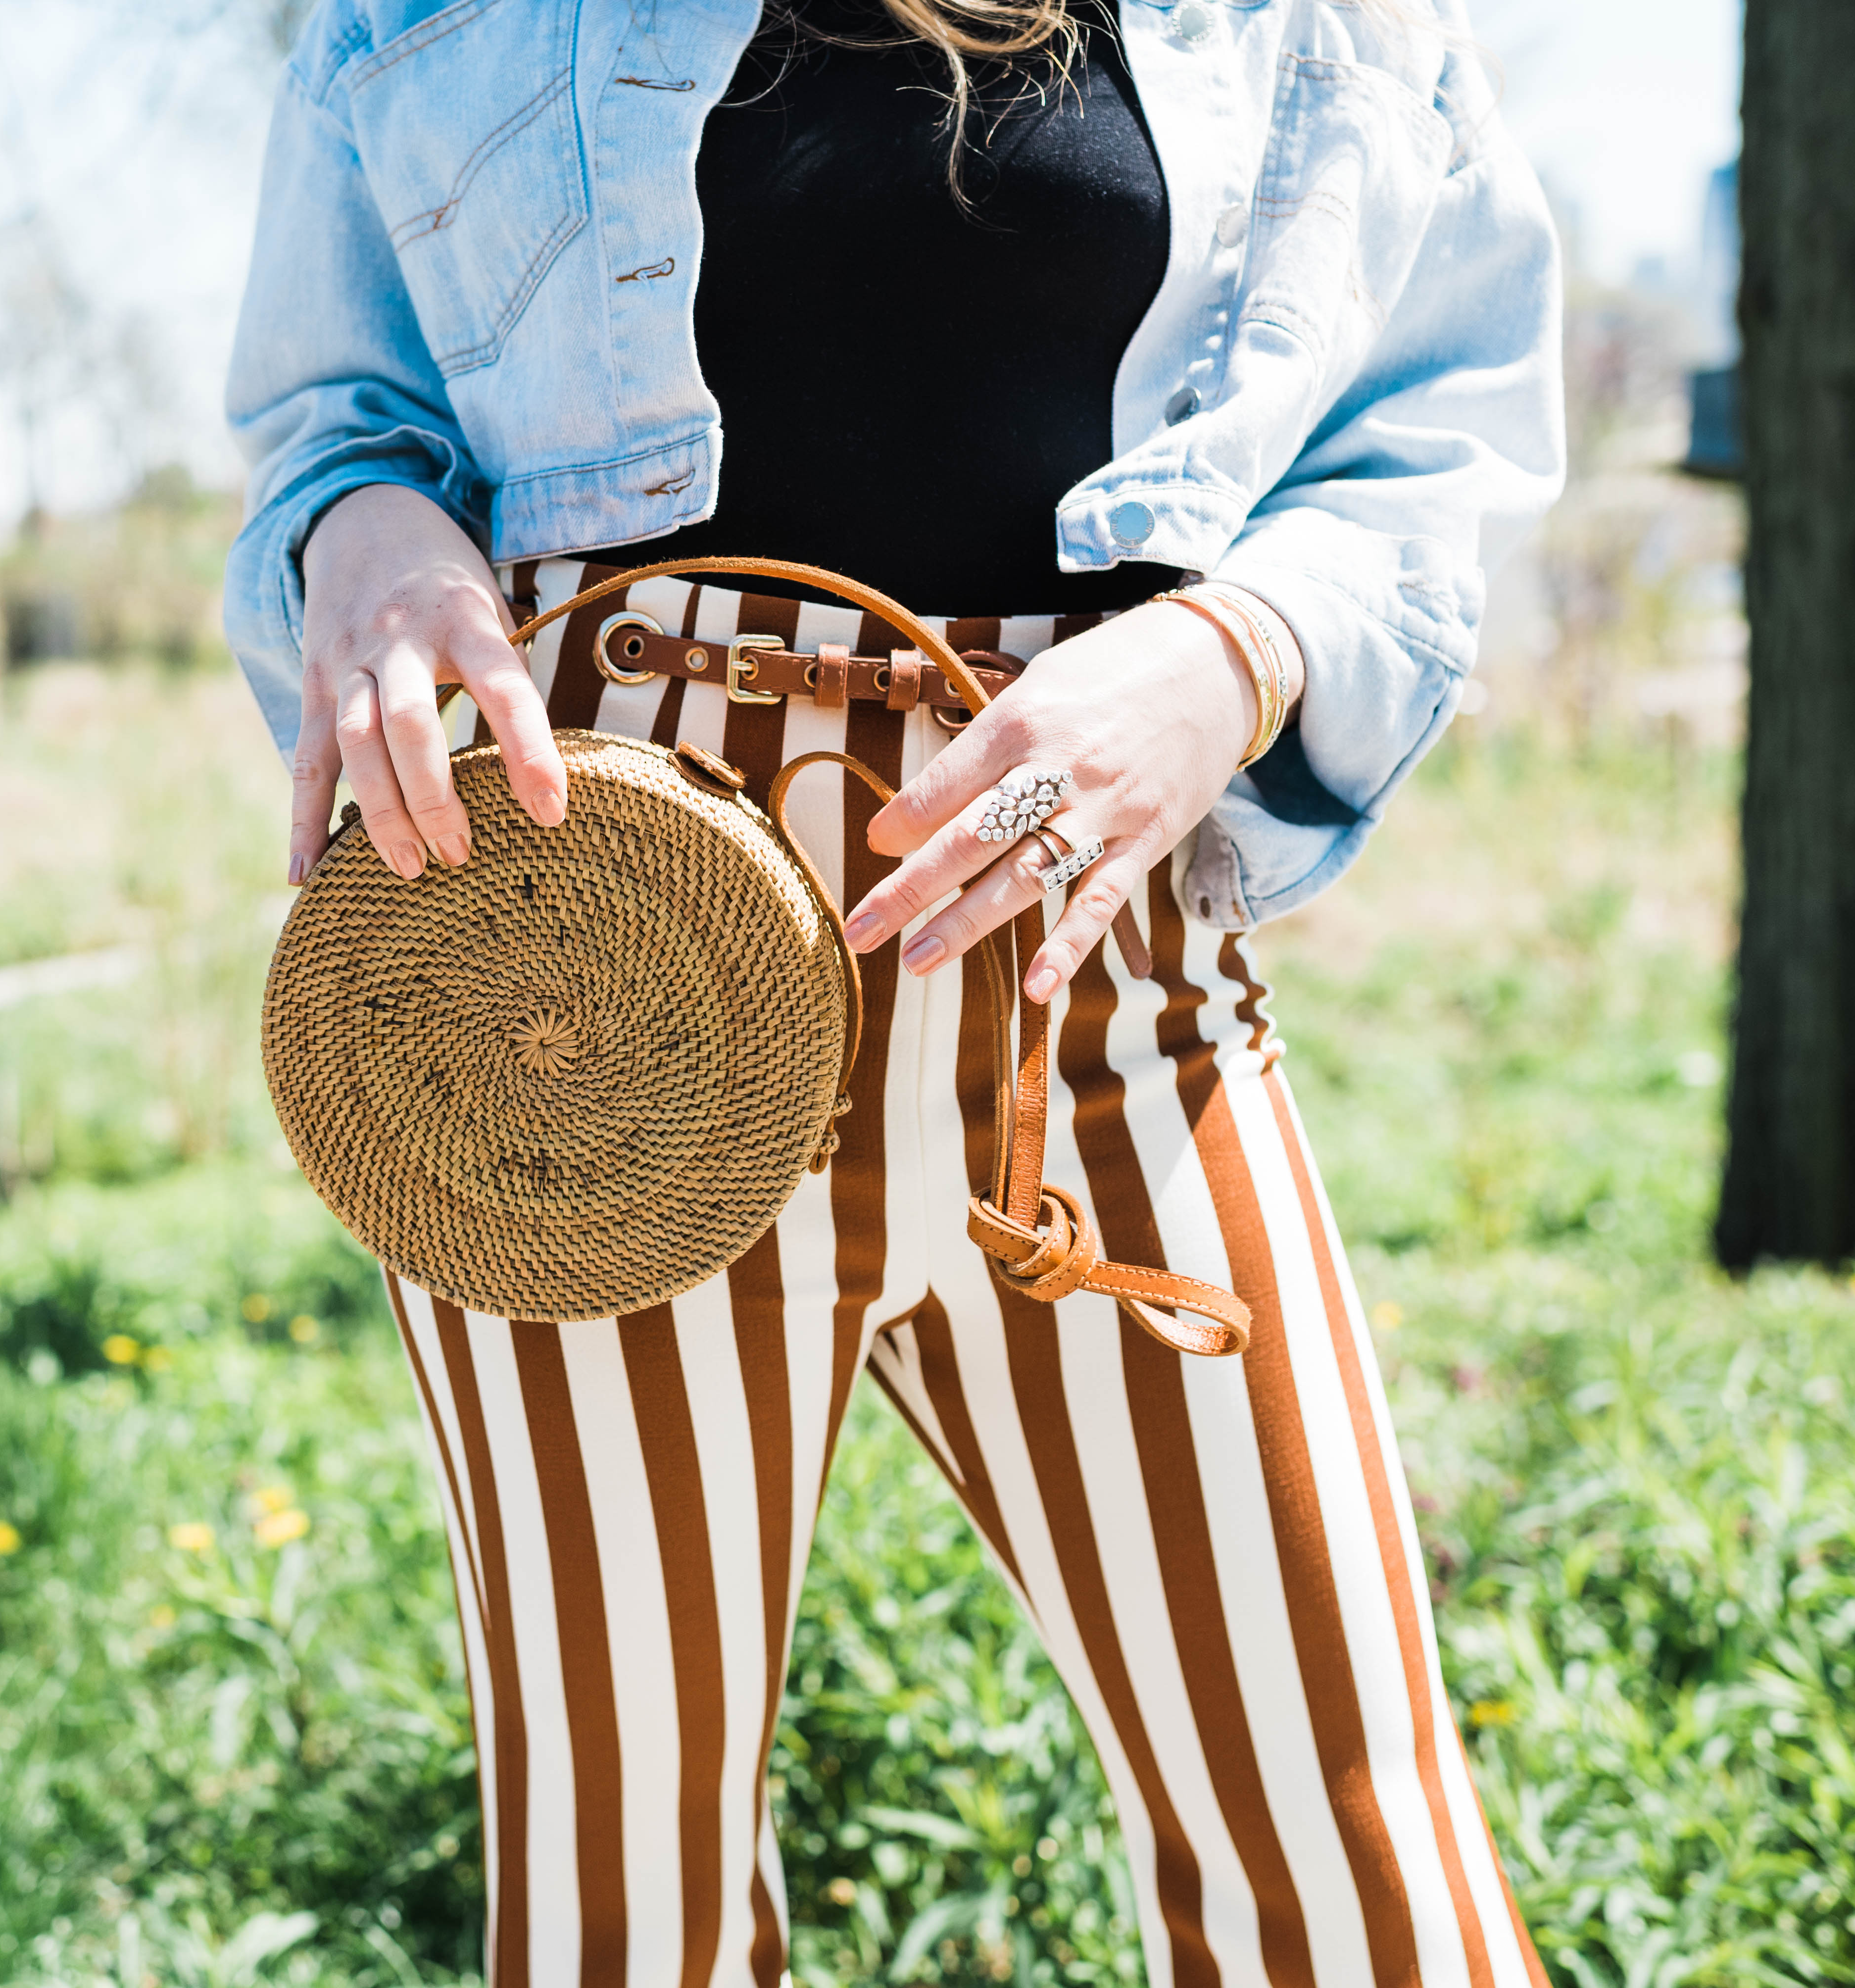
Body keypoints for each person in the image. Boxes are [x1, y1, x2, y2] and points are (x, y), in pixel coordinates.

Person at [223, 0, 1564, 1982]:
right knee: (626, 1914)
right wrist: (365, 530)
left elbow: (1433, 442)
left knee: (1358, 1874)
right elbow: (330, 421)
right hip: (582, 974)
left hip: (1090, 954)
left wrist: (1231, 653)